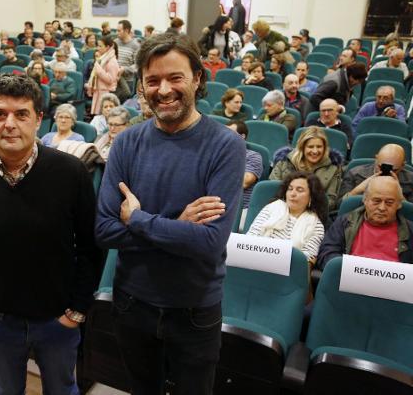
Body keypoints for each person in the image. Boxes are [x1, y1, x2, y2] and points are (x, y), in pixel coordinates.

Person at [96, 32, 245, 394]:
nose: (163, 90)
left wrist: (142, 220)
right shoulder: (127, 142)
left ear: (197, 78)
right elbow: (103, 229)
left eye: (175, 77)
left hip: (193, 310)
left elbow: (209, 242)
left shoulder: (226, 146)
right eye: (152, 81)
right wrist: (178, 227)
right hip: (132, 303)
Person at [0, 73, 100, 394]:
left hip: (58, 319)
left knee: (62, 390)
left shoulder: (72, 173)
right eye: (0, 114)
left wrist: (76, 310)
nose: (9, 124)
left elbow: (91, 247)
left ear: (39, 119)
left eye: (21, 114)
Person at [317, 176, 413, 270]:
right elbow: (326, 255)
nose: (382, 208)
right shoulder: (345, 222)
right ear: (365, 200)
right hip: (350, 281)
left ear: (399, 204)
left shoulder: (410, 230)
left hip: (394, 284)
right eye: (376, 201)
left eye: (389, 202)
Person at [247, 172, 327, 263]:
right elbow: (251, 238)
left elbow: (305, 260)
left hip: (287, 271)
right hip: (255, 260)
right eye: (290, 189)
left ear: (311, 197)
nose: (292, 194)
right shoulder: (272, 208)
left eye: (299, 190)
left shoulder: (316, 225)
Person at [270, 126, 343, 211]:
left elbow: (330, 201)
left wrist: (305, 206)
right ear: (302, 147)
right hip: (281, 210)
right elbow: (272, 191)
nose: (315, 151)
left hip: (314, 213)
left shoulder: (333, 168)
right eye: (310, 147)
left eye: (319, 147)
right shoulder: (284, 162)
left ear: (325, 148)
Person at [339, 143, 413, 203]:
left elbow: (410, 215)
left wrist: (399, 193)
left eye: (394, 170)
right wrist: (358, 190)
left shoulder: (410, 180)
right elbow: (339, 206)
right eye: (381, 167)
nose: (386, 172)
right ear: (376, 159)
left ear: (402, 166)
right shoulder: (355, 173)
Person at [225, 120, 262, 212]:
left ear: (242, 137)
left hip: (241, 209)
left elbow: (244, 182)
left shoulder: (253, 156)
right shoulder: (217, 153)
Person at [86, 35, 120, 115]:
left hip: (106, 94)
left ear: (107, 47)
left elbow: (110, 80)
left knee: (103, 117)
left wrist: (97, 68)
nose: (98, 48)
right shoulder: (103, 58)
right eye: (98, 46)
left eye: (100, 46)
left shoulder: (112, 61)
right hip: (99, 91)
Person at [115, 20, 141, 92]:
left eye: (119, 31)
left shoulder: (135, 46)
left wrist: (124, 69)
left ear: (126, 31)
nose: (117, 33)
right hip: (114, 79)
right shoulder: (115, 42)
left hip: (127, 82)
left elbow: (137, 65)